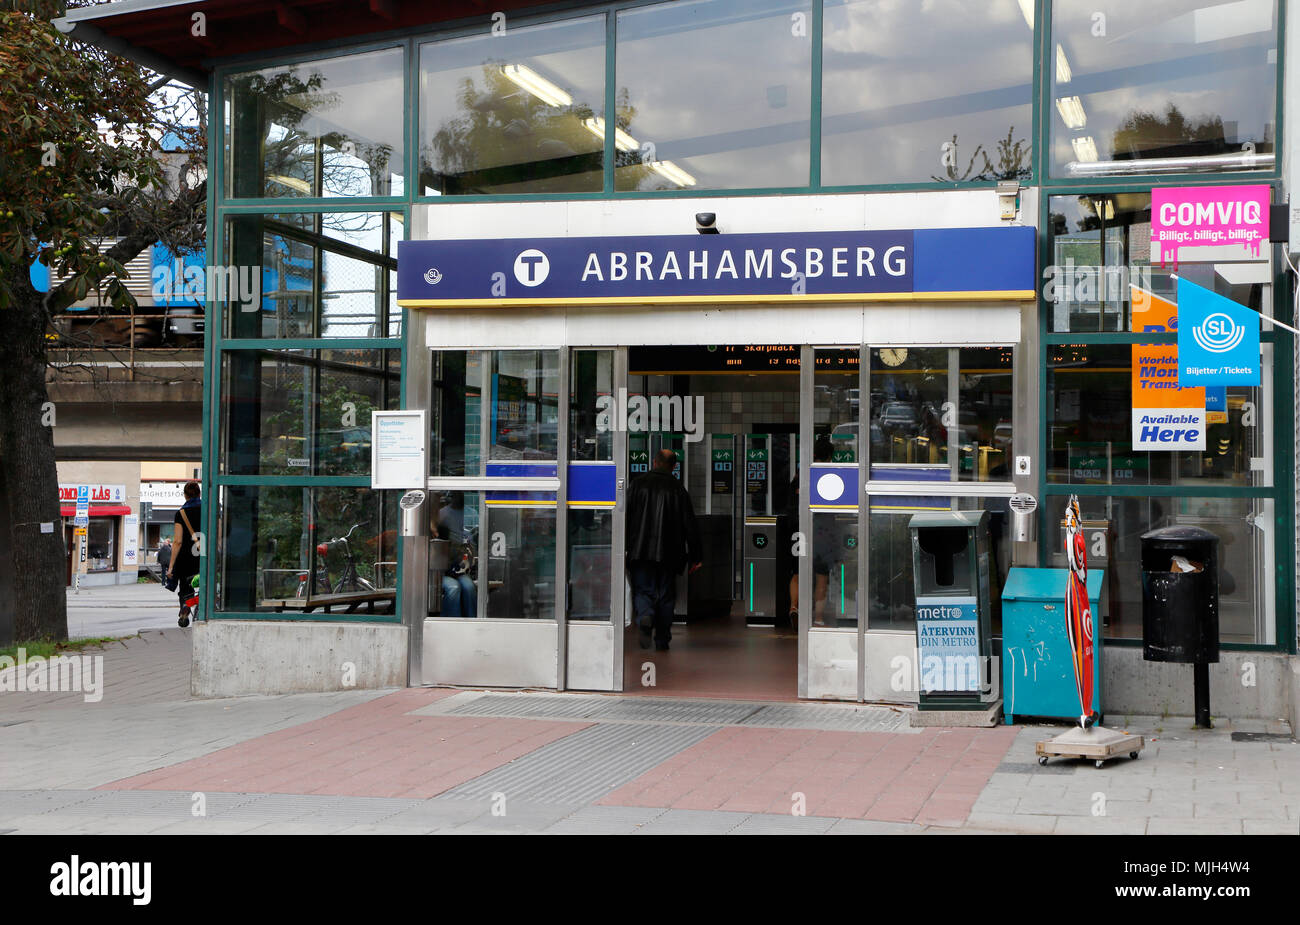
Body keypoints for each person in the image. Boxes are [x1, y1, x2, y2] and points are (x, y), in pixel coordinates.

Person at [625, 449, 702, 650]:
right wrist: (696, 555)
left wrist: (623, 547)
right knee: (666, 595)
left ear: (654, 462)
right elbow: (690, 525)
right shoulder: (679, 490)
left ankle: (645, 616)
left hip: (640, 551)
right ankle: (662, 639)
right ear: (674, 466)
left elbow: (625, 517)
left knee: (642, 590)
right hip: (670, 553)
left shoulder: (637, 485)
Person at [166, 480, 202, 627]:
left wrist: (171, 566)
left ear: (185, 496)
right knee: (208, 585)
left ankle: (185, 610)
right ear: (199, 494)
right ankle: (202, 606)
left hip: (186, 559)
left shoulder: (181, 513)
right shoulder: (210, 509)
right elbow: (218, 535)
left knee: (186, 589)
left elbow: (178, 541)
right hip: (204, 556)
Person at [436, 492, 477, 618]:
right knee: (454, 587)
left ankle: (472, 621)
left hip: (458, 568)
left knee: (469, 587)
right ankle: (452, 622)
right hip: (439, 571)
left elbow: (474, 540)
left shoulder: (471, 513)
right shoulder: (442, 515)